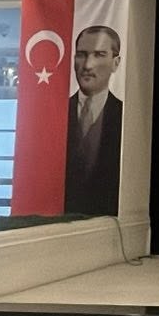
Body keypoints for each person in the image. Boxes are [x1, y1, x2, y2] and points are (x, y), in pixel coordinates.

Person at [63, 24, 123, 217]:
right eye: (81, 55)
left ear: (115, 63)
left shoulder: (127, 117)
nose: (88, 65)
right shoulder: (55, 115)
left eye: (99, 55)